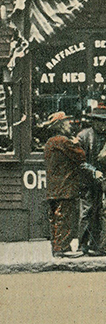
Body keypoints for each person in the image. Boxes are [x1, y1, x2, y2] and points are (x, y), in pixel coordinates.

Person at [43, 111, 88, 258]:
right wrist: (77, 143)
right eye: (67, 122)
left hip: (53, 187)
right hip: (65, 187)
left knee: (55, 219)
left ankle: (57, 248)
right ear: (61, 126)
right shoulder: (63, 141)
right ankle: (63, 248)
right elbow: (81, 155)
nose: (70, 125)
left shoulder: (50, 142)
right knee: (65, 218)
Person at [77, 108, 106, 256]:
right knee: (87, 212)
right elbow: (79, 162)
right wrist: (94, 171)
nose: (103, 125)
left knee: (101, 213)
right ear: (93, 121)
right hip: (87, 182)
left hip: (103, 182)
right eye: (99, 121)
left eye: (104, 121)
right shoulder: (83, 136)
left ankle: (98, 245)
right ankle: (82, 245)